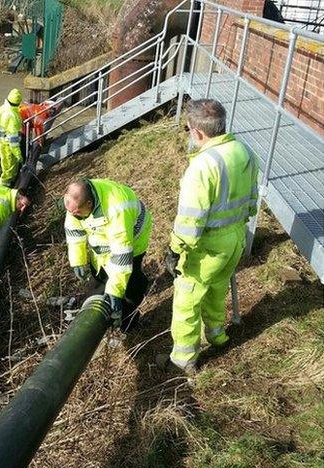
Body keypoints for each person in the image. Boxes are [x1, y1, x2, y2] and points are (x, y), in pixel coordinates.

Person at [161, 98, 259, 374]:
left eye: (188, 129)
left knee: (186, 300)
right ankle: (217, 335)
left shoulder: (202, 168)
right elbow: (253, 199)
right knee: (218, 287)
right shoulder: (245, 151)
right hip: (236, 237)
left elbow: (190, 221)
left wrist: (175, 249)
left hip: (208, 246)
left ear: (198, 132)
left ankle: (183, 359)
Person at [64, 178, 152, 330]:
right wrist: (77, 259)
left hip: (130, 241)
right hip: (103, 242)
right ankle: (103, 313)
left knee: (130, 285)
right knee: (99, 281)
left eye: (77, 213)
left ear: (89, 204)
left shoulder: (117, 209)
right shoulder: (75, 202)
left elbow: (122, 255)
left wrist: (115, 291)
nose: (74, 216)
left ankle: (127, 321)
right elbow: (74, 230)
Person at [0, 88, 24, 186]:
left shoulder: (2, 108)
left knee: (4, 164)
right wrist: (19, 156)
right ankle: (3, 188)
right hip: (7, 146)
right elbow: (13, 142)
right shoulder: (13, 117)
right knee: (9, 171)